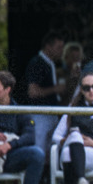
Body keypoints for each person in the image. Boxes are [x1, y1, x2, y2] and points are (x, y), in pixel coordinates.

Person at [24, 31, 67, 170]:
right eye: (59, 47)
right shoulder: (37, 63)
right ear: (48, 46)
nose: (62, 51)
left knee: (50, 153)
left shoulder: (50, 64)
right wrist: (55, 89)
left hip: (50, 115)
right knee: (39, 151)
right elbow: (33, 92)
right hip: (40, 115)